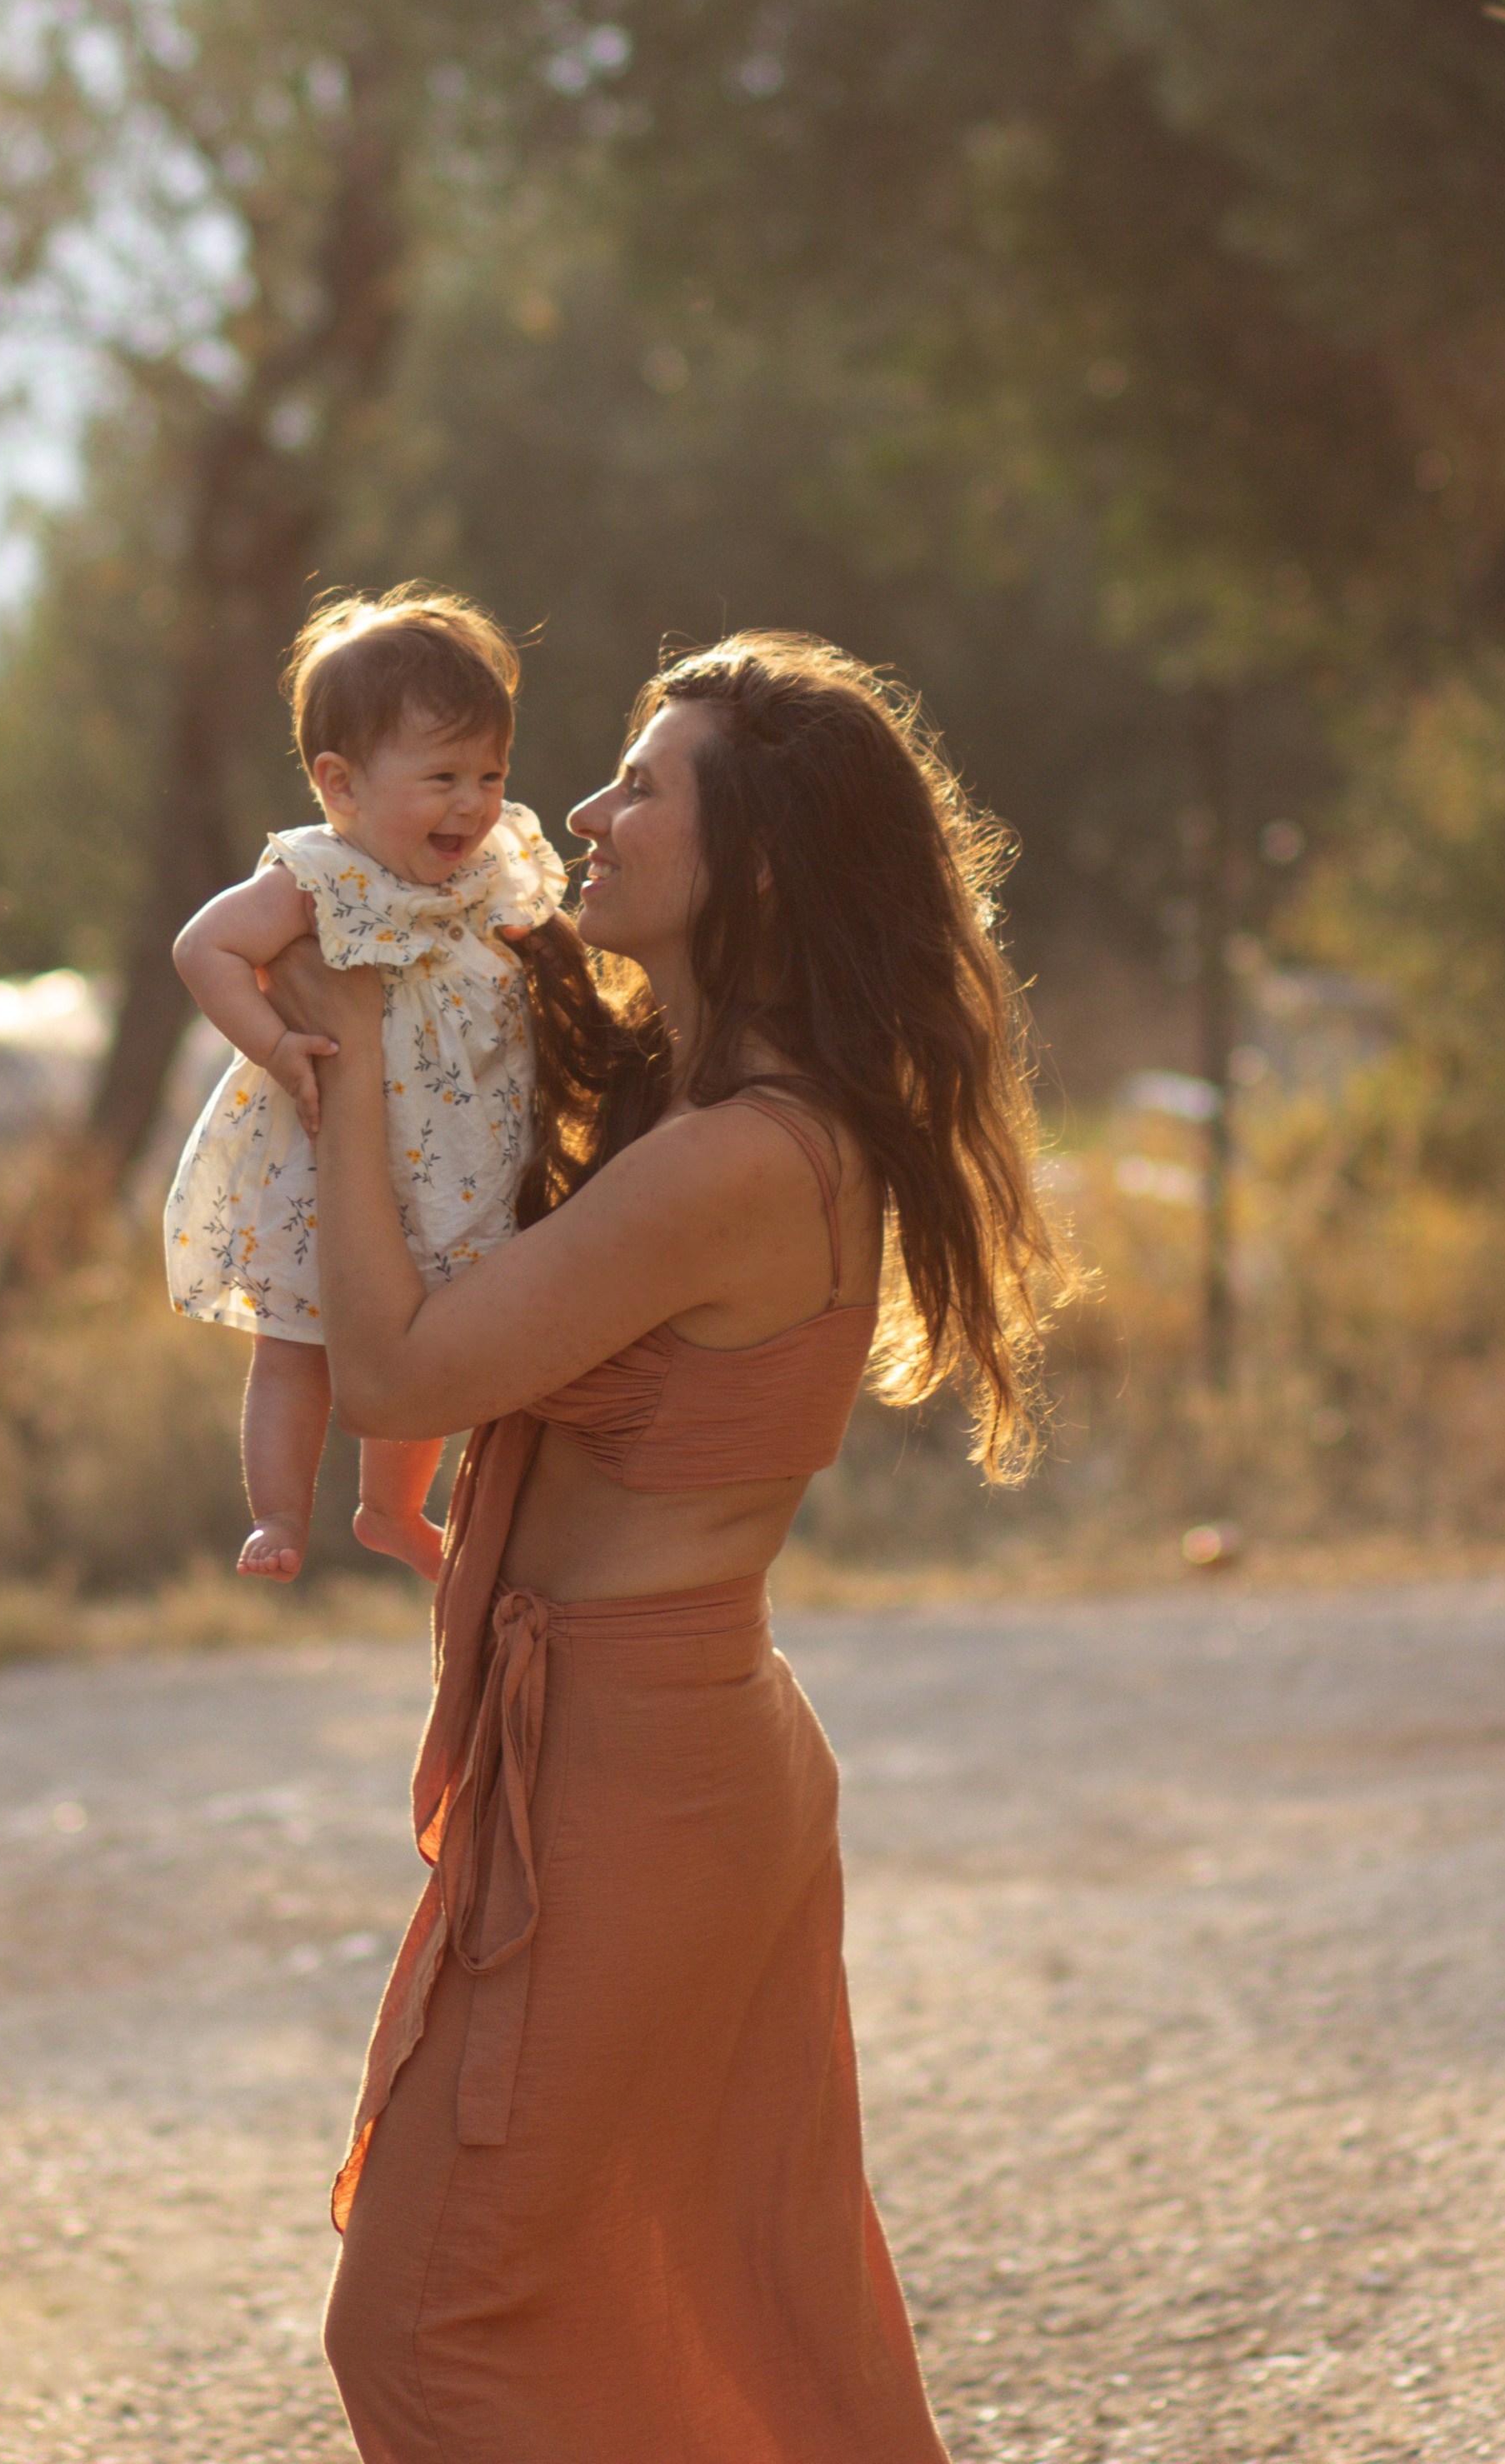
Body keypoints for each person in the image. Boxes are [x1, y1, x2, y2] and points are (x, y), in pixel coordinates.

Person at [262, 630, 1062, 2464]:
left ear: (755, 865)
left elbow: (392, 1366)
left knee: (425, 2322)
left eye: (641, 785)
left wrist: (363, 1017)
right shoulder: (701, 1110)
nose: (582, 814)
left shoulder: (740, 1162)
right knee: (700, 2300)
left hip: (638, 1777)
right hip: (654, 1755)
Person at [167, 587, 568, 1579]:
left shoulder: (490, 876)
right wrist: (273, 1044)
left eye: (489, 773)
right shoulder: (319, 876)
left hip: (454, 1163)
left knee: (429, 1348)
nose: (472, 803)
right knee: (295, 1344)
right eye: (441, 777)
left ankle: (390, 1509)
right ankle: (278, 1516)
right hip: (324, 1153)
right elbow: (203, 946)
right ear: (338, 783)